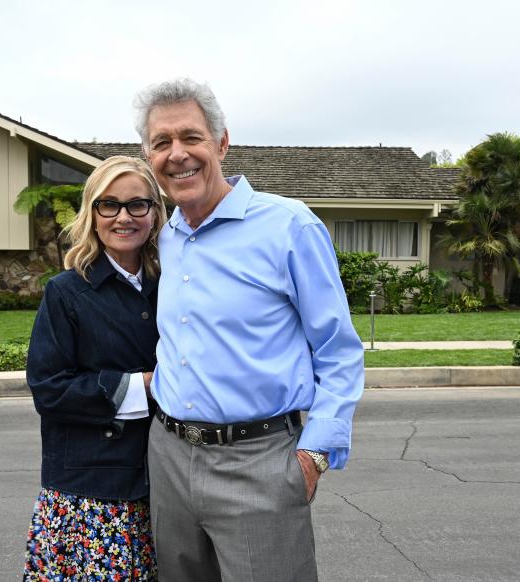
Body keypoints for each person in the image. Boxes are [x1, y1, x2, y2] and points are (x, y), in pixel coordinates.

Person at [134, 79, 365, 581]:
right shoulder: (165, 238)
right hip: (169, 457)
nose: (178, 154)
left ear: (221, 143)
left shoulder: (288, 226)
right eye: (161, 142)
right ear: (148, 156)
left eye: (191, 137)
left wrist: (313, 455)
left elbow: (339, 352)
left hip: (260, 461)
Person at [23, 155, 168, 581]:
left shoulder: (173, 286)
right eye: (110, 205)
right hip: (89, 495)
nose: (124, 217)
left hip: (161, 484)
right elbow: (49, 388)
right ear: (94, 214)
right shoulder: (66, 292)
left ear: (155, 214)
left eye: (137, 204)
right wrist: (142, 385)